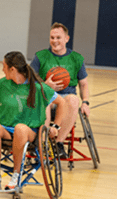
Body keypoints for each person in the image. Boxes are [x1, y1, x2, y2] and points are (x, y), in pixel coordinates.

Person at [0, 51, 67, 190]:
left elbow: (62, 102)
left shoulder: (38, 87)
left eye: (4, 66)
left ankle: (16, 175)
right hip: (6, 129)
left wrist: (55, 126)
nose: (2, 70)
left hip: (29, 132)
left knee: (20, 128)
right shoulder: (3, 84)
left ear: (12, 69)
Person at [30, 22, 90, 159]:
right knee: (44, 100)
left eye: (58, 38)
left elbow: (84, 84)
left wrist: (85, 102)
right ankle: (42, 142)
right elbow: (30, 81)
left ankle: (58, 143)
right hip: (47, 95)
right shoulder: (40, 56)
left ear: (66, 39)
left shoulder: (77, 58)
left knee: (74, 100)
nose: (54, 41)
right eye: (52, 37)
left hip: (66, 97)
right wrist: (45, 85)